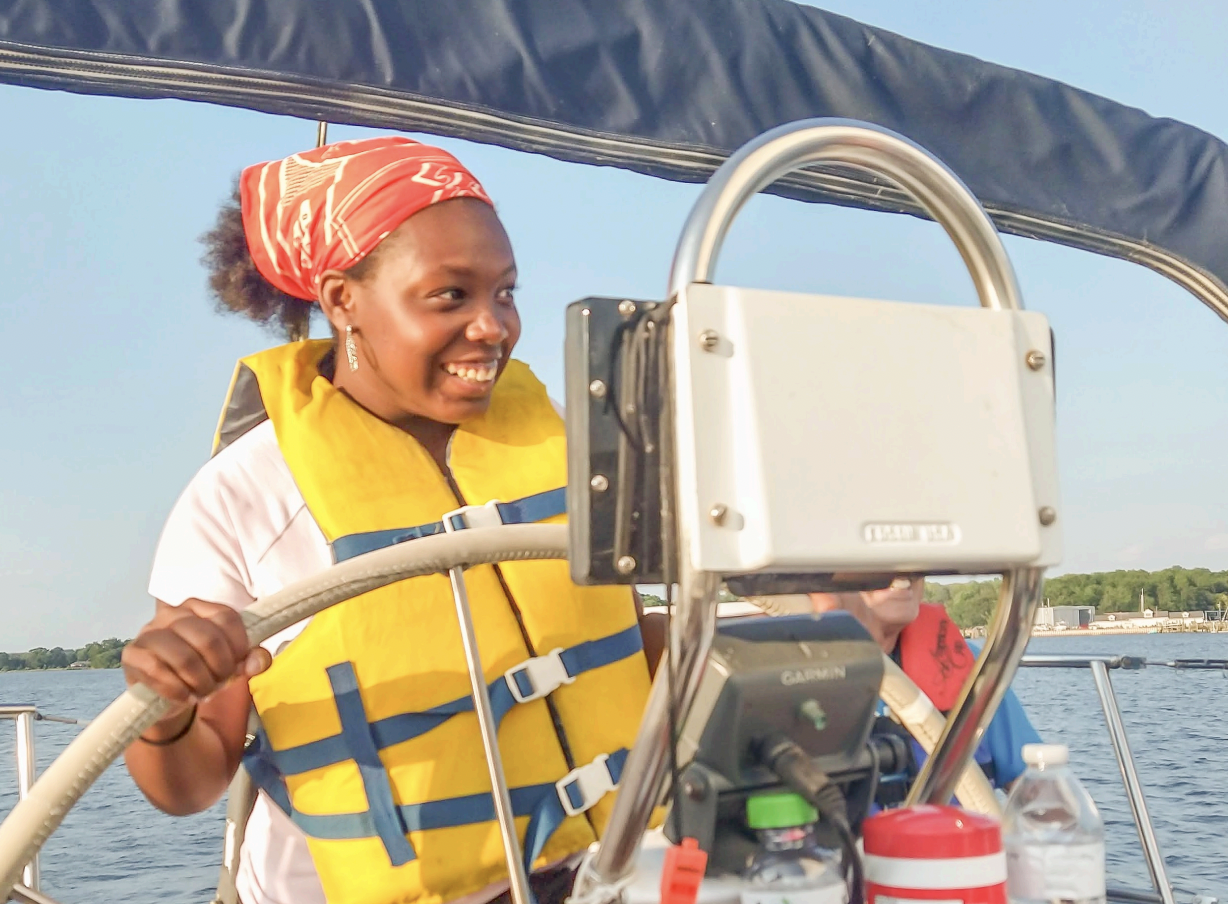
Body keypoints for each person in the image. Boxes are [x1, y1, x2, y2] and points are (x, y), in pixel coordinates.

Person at [122, 136, 666, 904]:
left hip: (600, 877)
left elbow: (628, 645)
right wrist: (167, 707)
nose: (494, 327)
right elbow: (187, 784)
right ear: (343, 300)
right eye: (452, 296)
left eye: (504, 292)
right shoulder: (241, 499)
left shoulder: (566, 446)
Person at [809, 578, 1040, 804]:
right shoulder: (793, 674)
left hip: (962, 840)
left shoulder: (967, 665)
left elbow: (1039, 787)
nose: (903, 567)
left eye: (913, 555)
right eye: (877, 553)